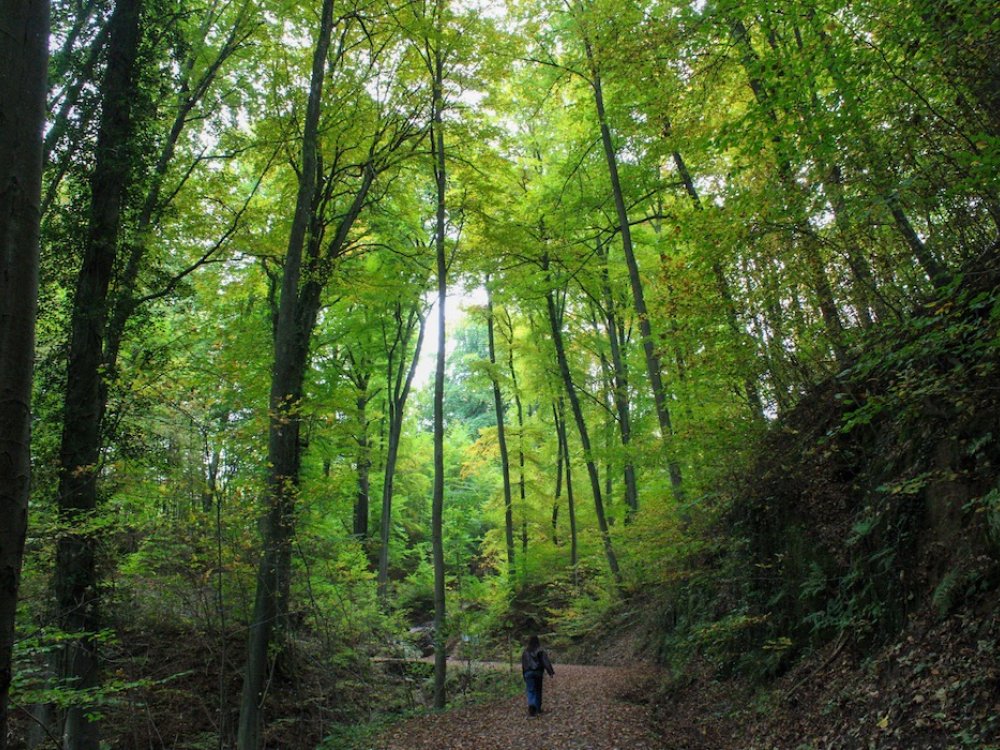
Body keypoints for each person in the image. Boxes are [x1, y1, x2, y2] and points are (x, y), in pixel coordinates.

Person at [520, 634, 554, 717]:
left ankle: (532, 705)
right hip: (538, 672)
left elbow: (524, 664)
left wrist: (524, 674)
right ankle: (538, 708)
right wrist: (550, 672)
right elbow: (545, 661)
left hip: (528, 672)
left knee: (530, 690)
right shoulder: (540, 651)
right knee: (538, 690)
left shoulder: (525, 652)